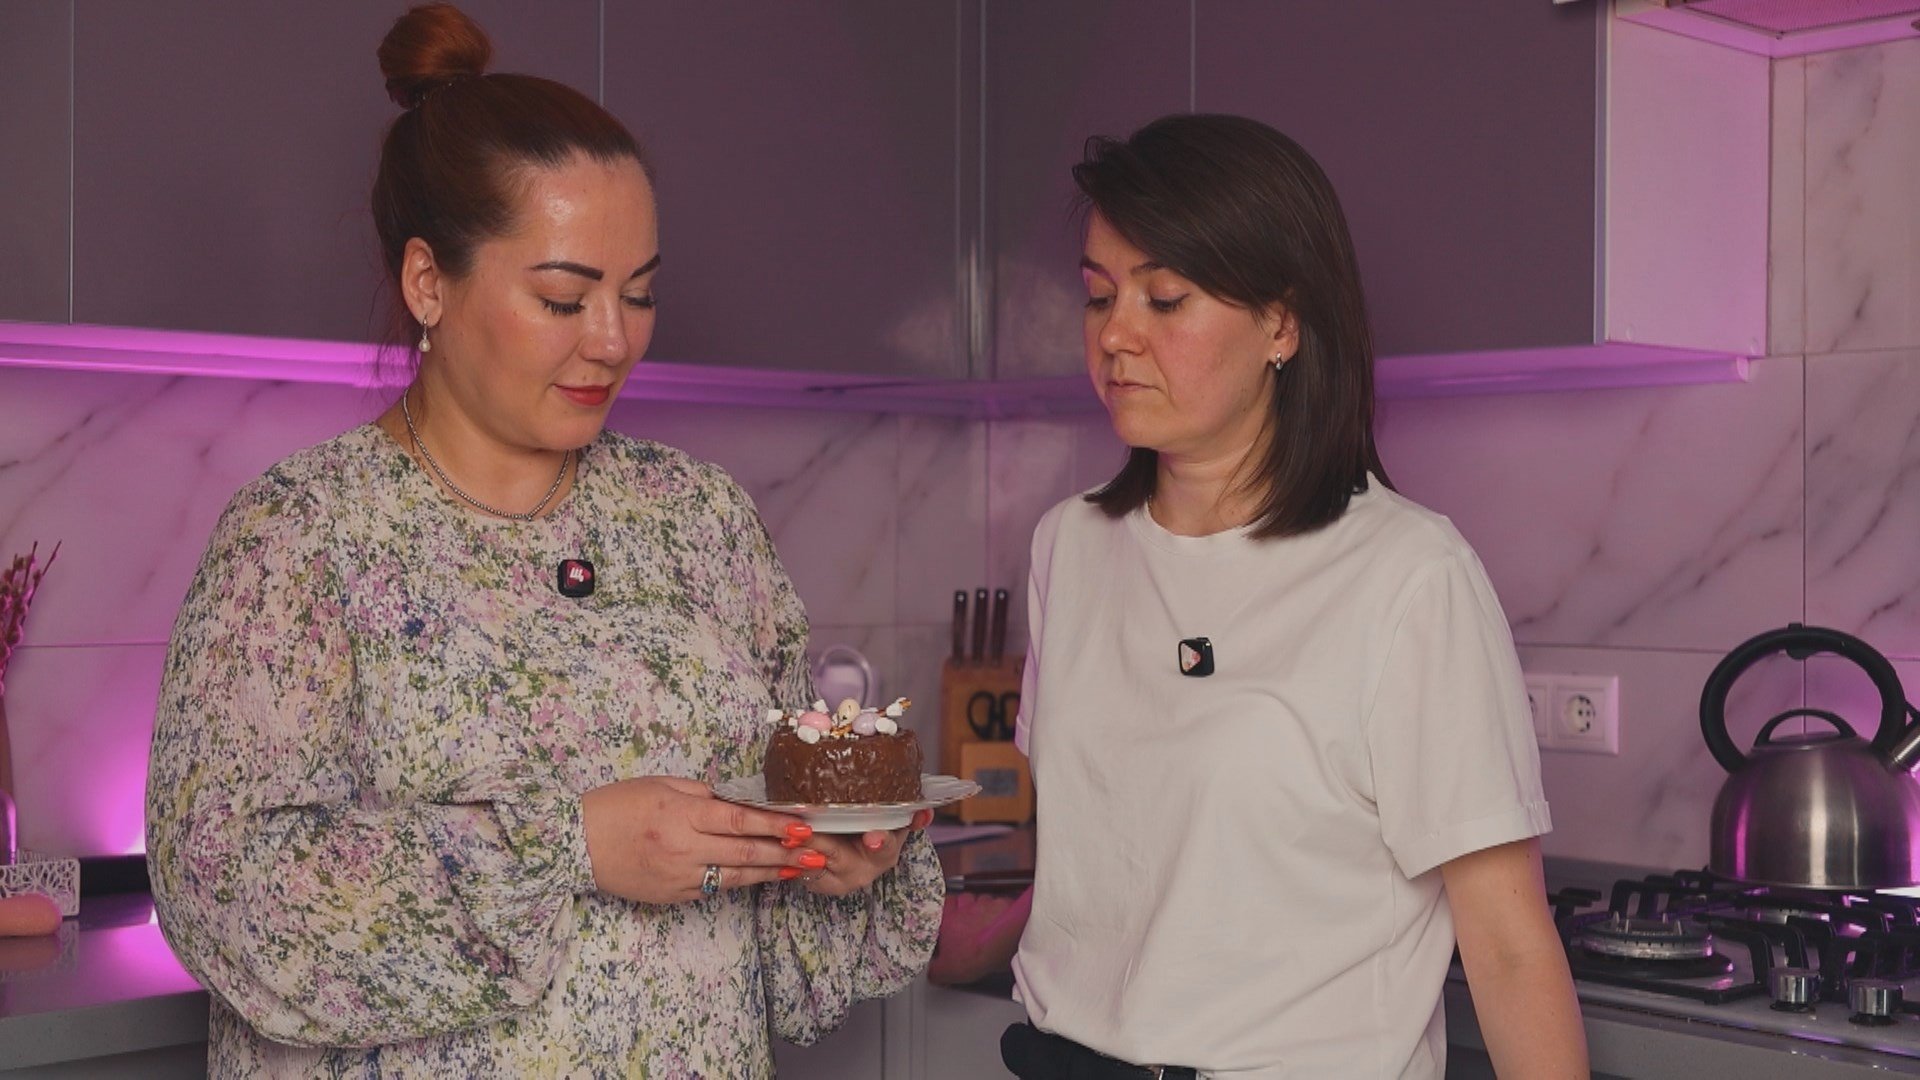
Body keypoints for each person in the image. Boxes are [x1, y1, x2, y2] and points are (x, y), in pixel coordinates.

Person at [143, 5, 940, 1075]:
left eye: (639, 294)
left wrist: (836, 855)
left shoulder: (697, 521)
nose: (613, 340)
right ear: (429, 282)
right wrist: (568, 847)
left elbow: (787, 886)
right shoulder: (302, 540)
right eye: (564, 298)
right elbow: (224, 891)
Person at [984, 115, 1587, 1078]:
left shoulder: (1408, 575)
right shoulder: (1072, 545)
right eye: (1099, 296)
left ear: (1281, 323)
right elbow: (1125, 854)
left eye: (1165, 298)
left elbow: (1510, 947)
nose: (1116, 336)